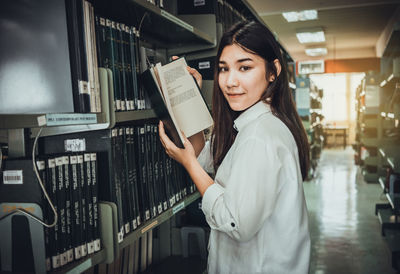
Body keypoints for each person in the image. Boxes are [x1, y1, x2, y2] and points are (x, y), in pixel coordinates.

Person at [159, 20, 310, 274]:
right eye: (223, 69)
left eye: (245, 67)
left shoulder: (260, 136)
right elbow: (206, 155)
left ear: (273, 71)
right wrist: (190, 98)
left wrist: (189, 165)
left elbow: (234, 222)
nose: (230, 81)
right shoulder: (248, 123)